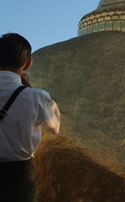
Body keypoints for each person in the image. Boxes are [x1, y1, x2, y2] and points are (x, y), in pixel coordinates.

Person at [0, 33, 60, 202]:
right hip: (18, 176)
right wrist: (31, 90)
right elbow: (54, 127)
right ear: (28, 63)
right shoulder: (35, 97)